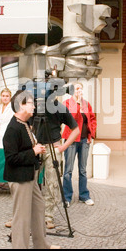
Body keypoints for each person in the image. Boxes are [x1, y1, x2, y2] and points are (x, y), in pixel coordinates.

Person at [2, 90, 59, 249]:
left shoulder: (24, 124)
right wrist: (33, 152)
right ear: (21, 105)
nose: (34, 106)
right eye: (31, 103)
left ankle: (41, 245)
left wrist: (35, 148)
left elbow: (26, 146)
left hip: (30, 177)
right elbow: (11, 158)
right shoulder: (13, 128)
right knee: (22, 217)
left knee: (38, 208)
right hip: (20, 178)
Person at [30, 87, 80, 229]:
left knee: (52, 184)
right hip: (37, 148)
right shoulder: (36, 107)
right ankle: (25, 214)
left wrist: (63, 147)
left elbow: (76, 129)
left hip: (54, 148)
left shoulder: (60, 108)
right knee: (29, 182)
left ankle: (48, 216)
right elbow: (28, 125)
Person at [62, 82, 97, 207]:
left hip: (83, 140)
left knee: (83, 170)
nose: (79, 91)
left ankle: (84, 195)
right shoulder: (67, 103)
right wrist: (77, 105)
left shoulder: (86, 104)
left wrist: (90, 135)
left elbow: (92, 119)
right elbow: (71, 119)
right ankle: (66, 197)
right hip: (71, 140)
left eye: (80, 89)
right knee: (68, 170)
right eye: (77, 89)